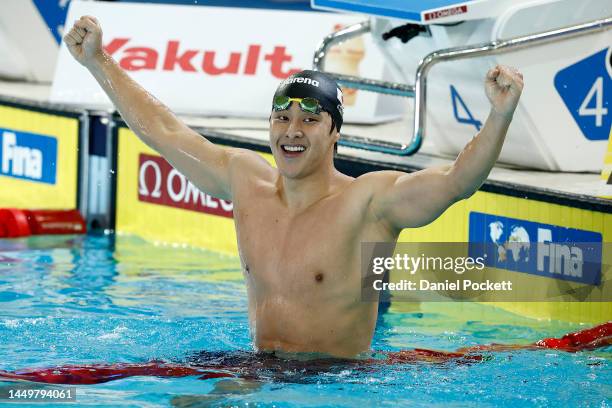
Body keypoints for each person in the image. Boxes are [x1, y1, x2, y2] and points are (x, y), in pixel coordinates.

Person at [63, 16, 524, 359]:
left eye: (310, 119)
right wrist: (98, 62)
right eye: (282, 118)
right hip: (258, 367)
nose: (292, 131)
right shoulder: (245, 180)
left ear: (335, 133)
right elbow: (164, 131)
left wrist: (500, 115)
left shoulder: (369, 203)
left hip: (335, 382)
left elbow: (456, 182)